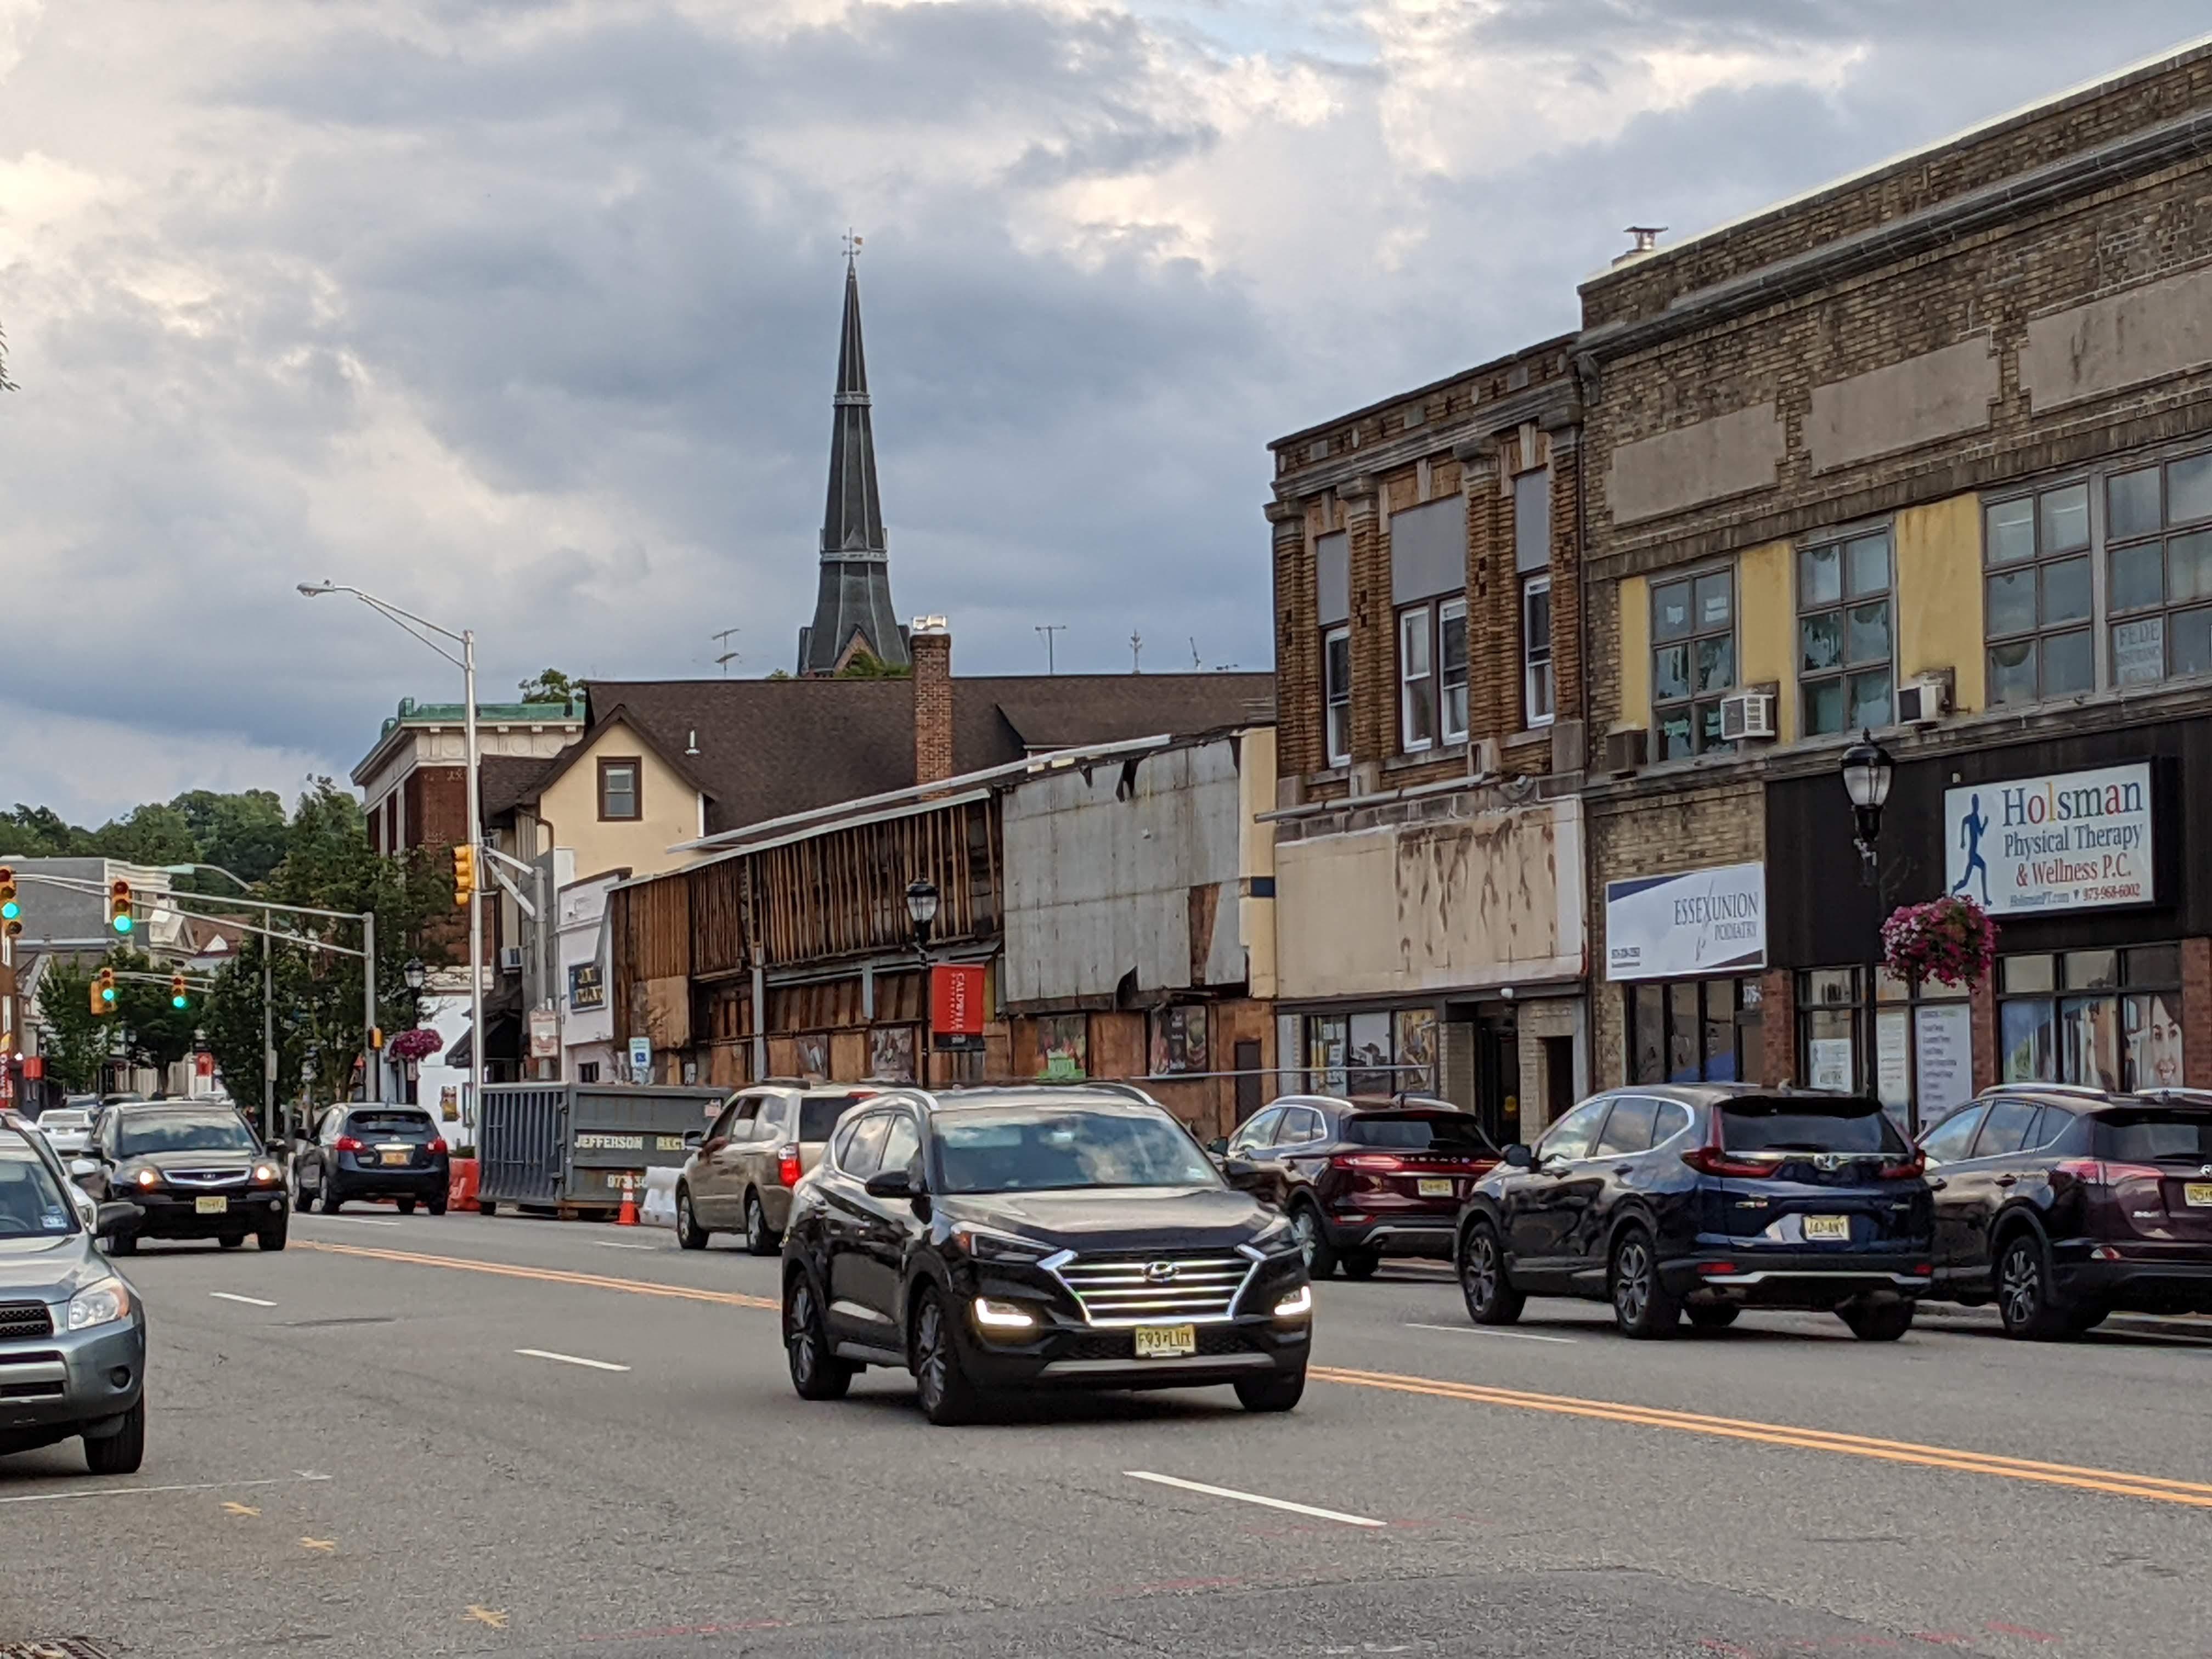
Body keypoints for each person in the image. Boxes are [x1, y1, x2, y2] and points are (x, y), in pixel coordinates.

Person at [1953, 792, 1991, 907]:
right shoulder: (1970, 818)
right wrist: (1962, 840)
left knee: (1981, 869)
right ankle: (1955, 889)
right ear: (1972, 804)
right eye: (1975, 803)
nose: (1976, 806)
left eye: (1977, 803)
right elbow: (1964, 823)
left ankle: (1985, 899)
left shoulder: (1976, 818)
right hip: (1972, 852)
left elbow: (1981, 833)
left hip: (1974, 852)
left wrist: (1985, 824)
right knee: (1966, 881)